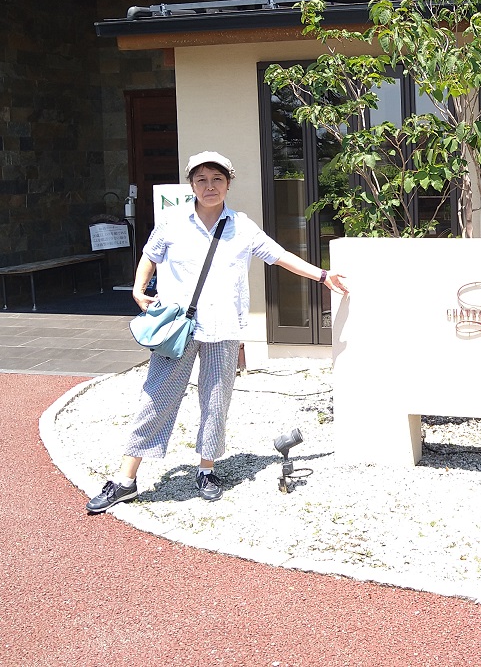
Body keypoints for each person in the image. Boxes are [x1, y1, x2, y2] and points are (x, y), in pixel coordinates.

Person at [88, 151, 349, 513]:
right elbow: (150, 255)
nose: (209, 186)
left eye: (217, 179)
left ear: (228, 183)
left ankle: (206, 470)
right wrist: (137, 288)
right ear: (191, 185)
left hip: (224, 329)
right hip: (178, 328)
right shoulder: (172, 222)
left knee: (215, 402)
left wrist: (322, 275)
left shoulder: (242, 226)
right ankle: (125, 480)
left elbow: (279, 255)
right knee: (157, 398)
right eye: (201, 180)